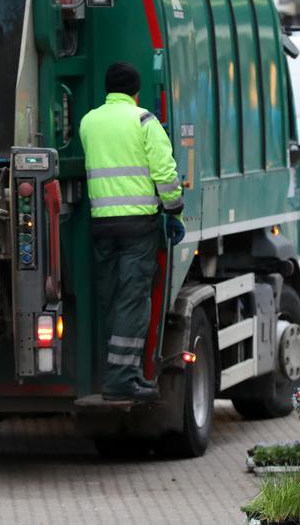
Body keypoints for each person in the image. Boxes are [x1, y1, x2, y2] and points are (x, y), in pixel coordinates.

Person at [78, 62, 184, 401]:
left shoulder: (88, 122)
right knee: (133, 300)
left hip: (101, 224)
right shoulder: (143, 121)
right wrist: (174, 207)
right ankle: (122, 378)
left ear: (108, 90)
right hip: (138, 225)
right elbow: (165, 171)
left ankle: (117, 369)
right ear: (135, 92)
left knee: (111, 297)